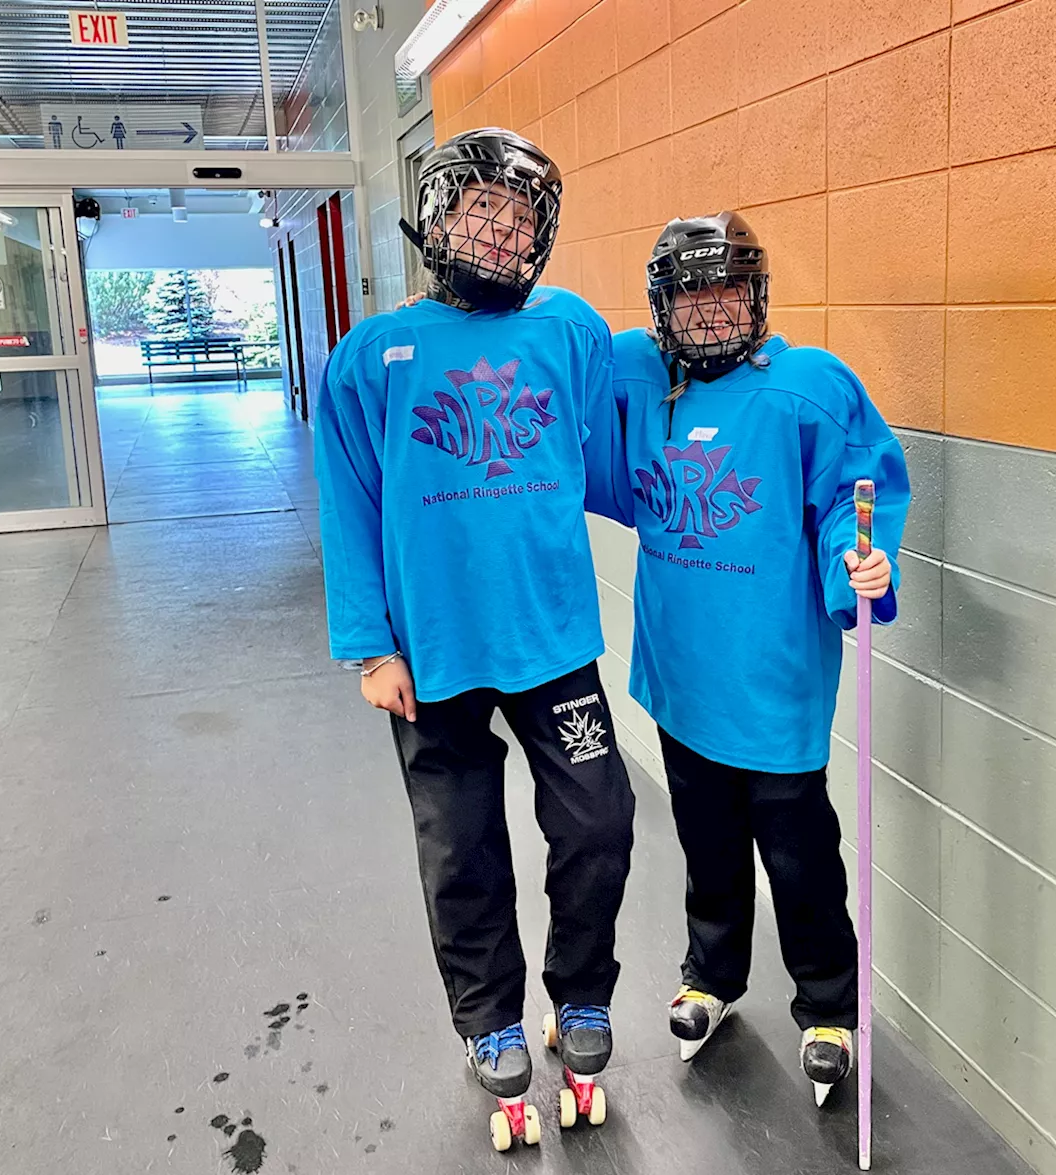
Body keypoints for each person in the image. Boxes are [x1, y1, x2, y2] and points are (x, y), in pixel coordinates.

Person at [314, 128, 635, 1149]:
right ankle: (488, 1017)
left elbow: (598, 446)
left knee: (596, 822)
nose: (499, 231)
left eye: (519, 217)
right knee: (460, 846)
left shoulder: (571, 329)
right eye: (480, 210)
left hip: (551, 636)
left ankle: (579, 994)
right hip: (431, 648)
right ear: (440, 215)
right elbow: (349, 503)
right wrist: (371, 645)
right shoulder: (370, 357)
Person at [606, 212, 910, 1105]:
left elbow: (851, 501)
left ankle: (827, 1004)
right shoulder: (644, 384)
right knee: (706, 842)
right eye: (690, 292)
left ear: (757, 296)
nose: (710, 310)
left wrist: (858, 563)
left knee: (799, 852)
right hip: (681, 674)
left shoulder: (807, 388)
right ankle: (712, 972)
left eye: (727, 288)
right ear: (664, 305)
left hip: (772, 680)